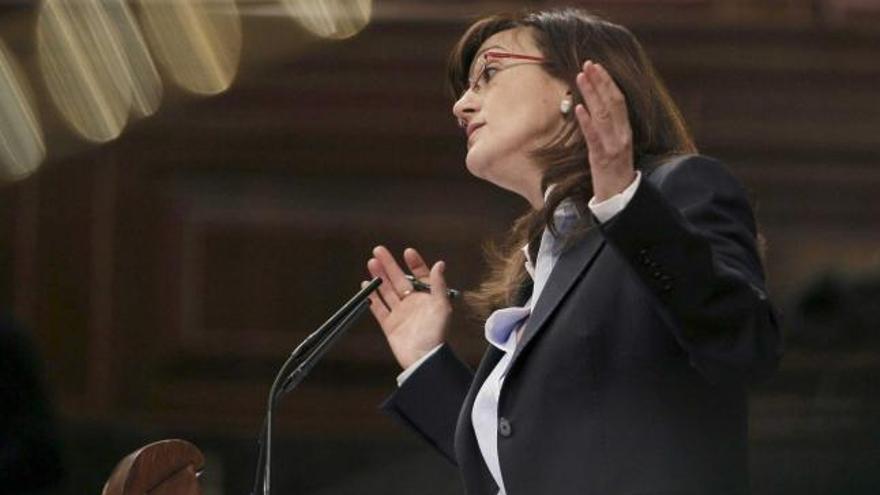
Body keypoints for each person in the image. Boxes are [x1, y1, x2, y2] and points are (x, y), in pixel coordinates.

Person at [363, 7, 782, 495]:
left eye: (489, 74)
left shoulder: (677, 189)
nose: (461, 105)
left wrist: (626, 203)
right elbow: (530, 455)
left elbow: (745, 346)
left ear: (573, 84)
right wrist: (425, 361)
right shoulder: (539, 265)